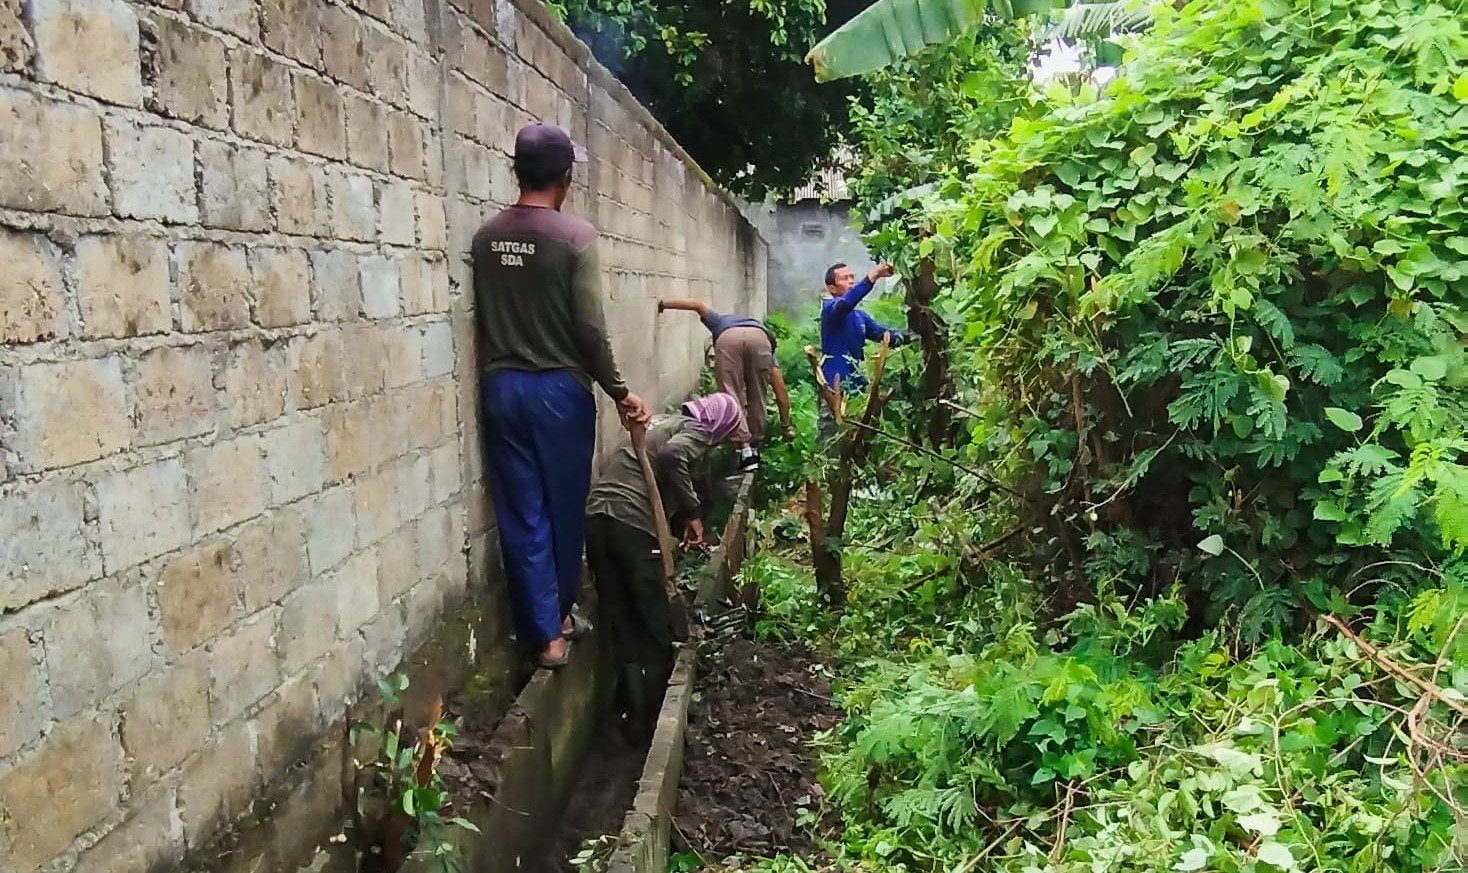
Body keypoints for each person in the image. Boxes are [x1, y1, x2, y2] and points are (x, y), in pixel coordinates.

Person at [472, 122, 652, 670]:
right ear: (566, 176)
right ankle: (562, 614)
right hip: (559, 392)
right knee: (563, 508)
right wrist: (620, 391)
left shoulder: (485, 238)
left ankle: (548, 635)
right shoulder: (575, 238)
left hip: (501, 388)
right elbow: (590, 331)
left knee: (522, 512)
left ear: (516, 170)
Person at [585, 392, 747, 735]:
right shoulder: (696, 430)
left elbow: (662, 476)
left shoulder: (666, 423)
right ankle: (654, 716)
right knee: (654, 619)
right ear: (719, 426)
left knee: (620, 616)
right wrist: (692, 513)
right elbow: (673, 459)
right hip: (630, 522)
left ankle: (630, 713)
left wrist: (680, 526)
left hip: (598, 518)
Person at [656, 298, 794, 470]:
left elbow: (696, 305)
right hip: (759, 341)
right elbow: (780, 392)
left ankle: (744, 451)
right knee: (758, 394)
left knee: (730, 393)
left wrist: (663, 304)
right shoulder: (764, 337)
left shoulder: (720, 320)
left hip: (728, 338)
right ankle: (755, 446)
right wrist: (786, 426)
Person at [818, 262, 906, 437]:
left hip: (857, 386)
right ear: (832, 288)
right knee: (833, 436)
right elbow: (845, 304)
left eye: (852, 277)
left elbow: (885, 335)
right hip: (834, 387)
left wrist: (914, 334)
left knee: (857, 434)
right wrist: (872, 277)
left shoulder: (860, 317)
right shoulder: (830, 309)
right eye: (845, 278)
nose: (851, 281)